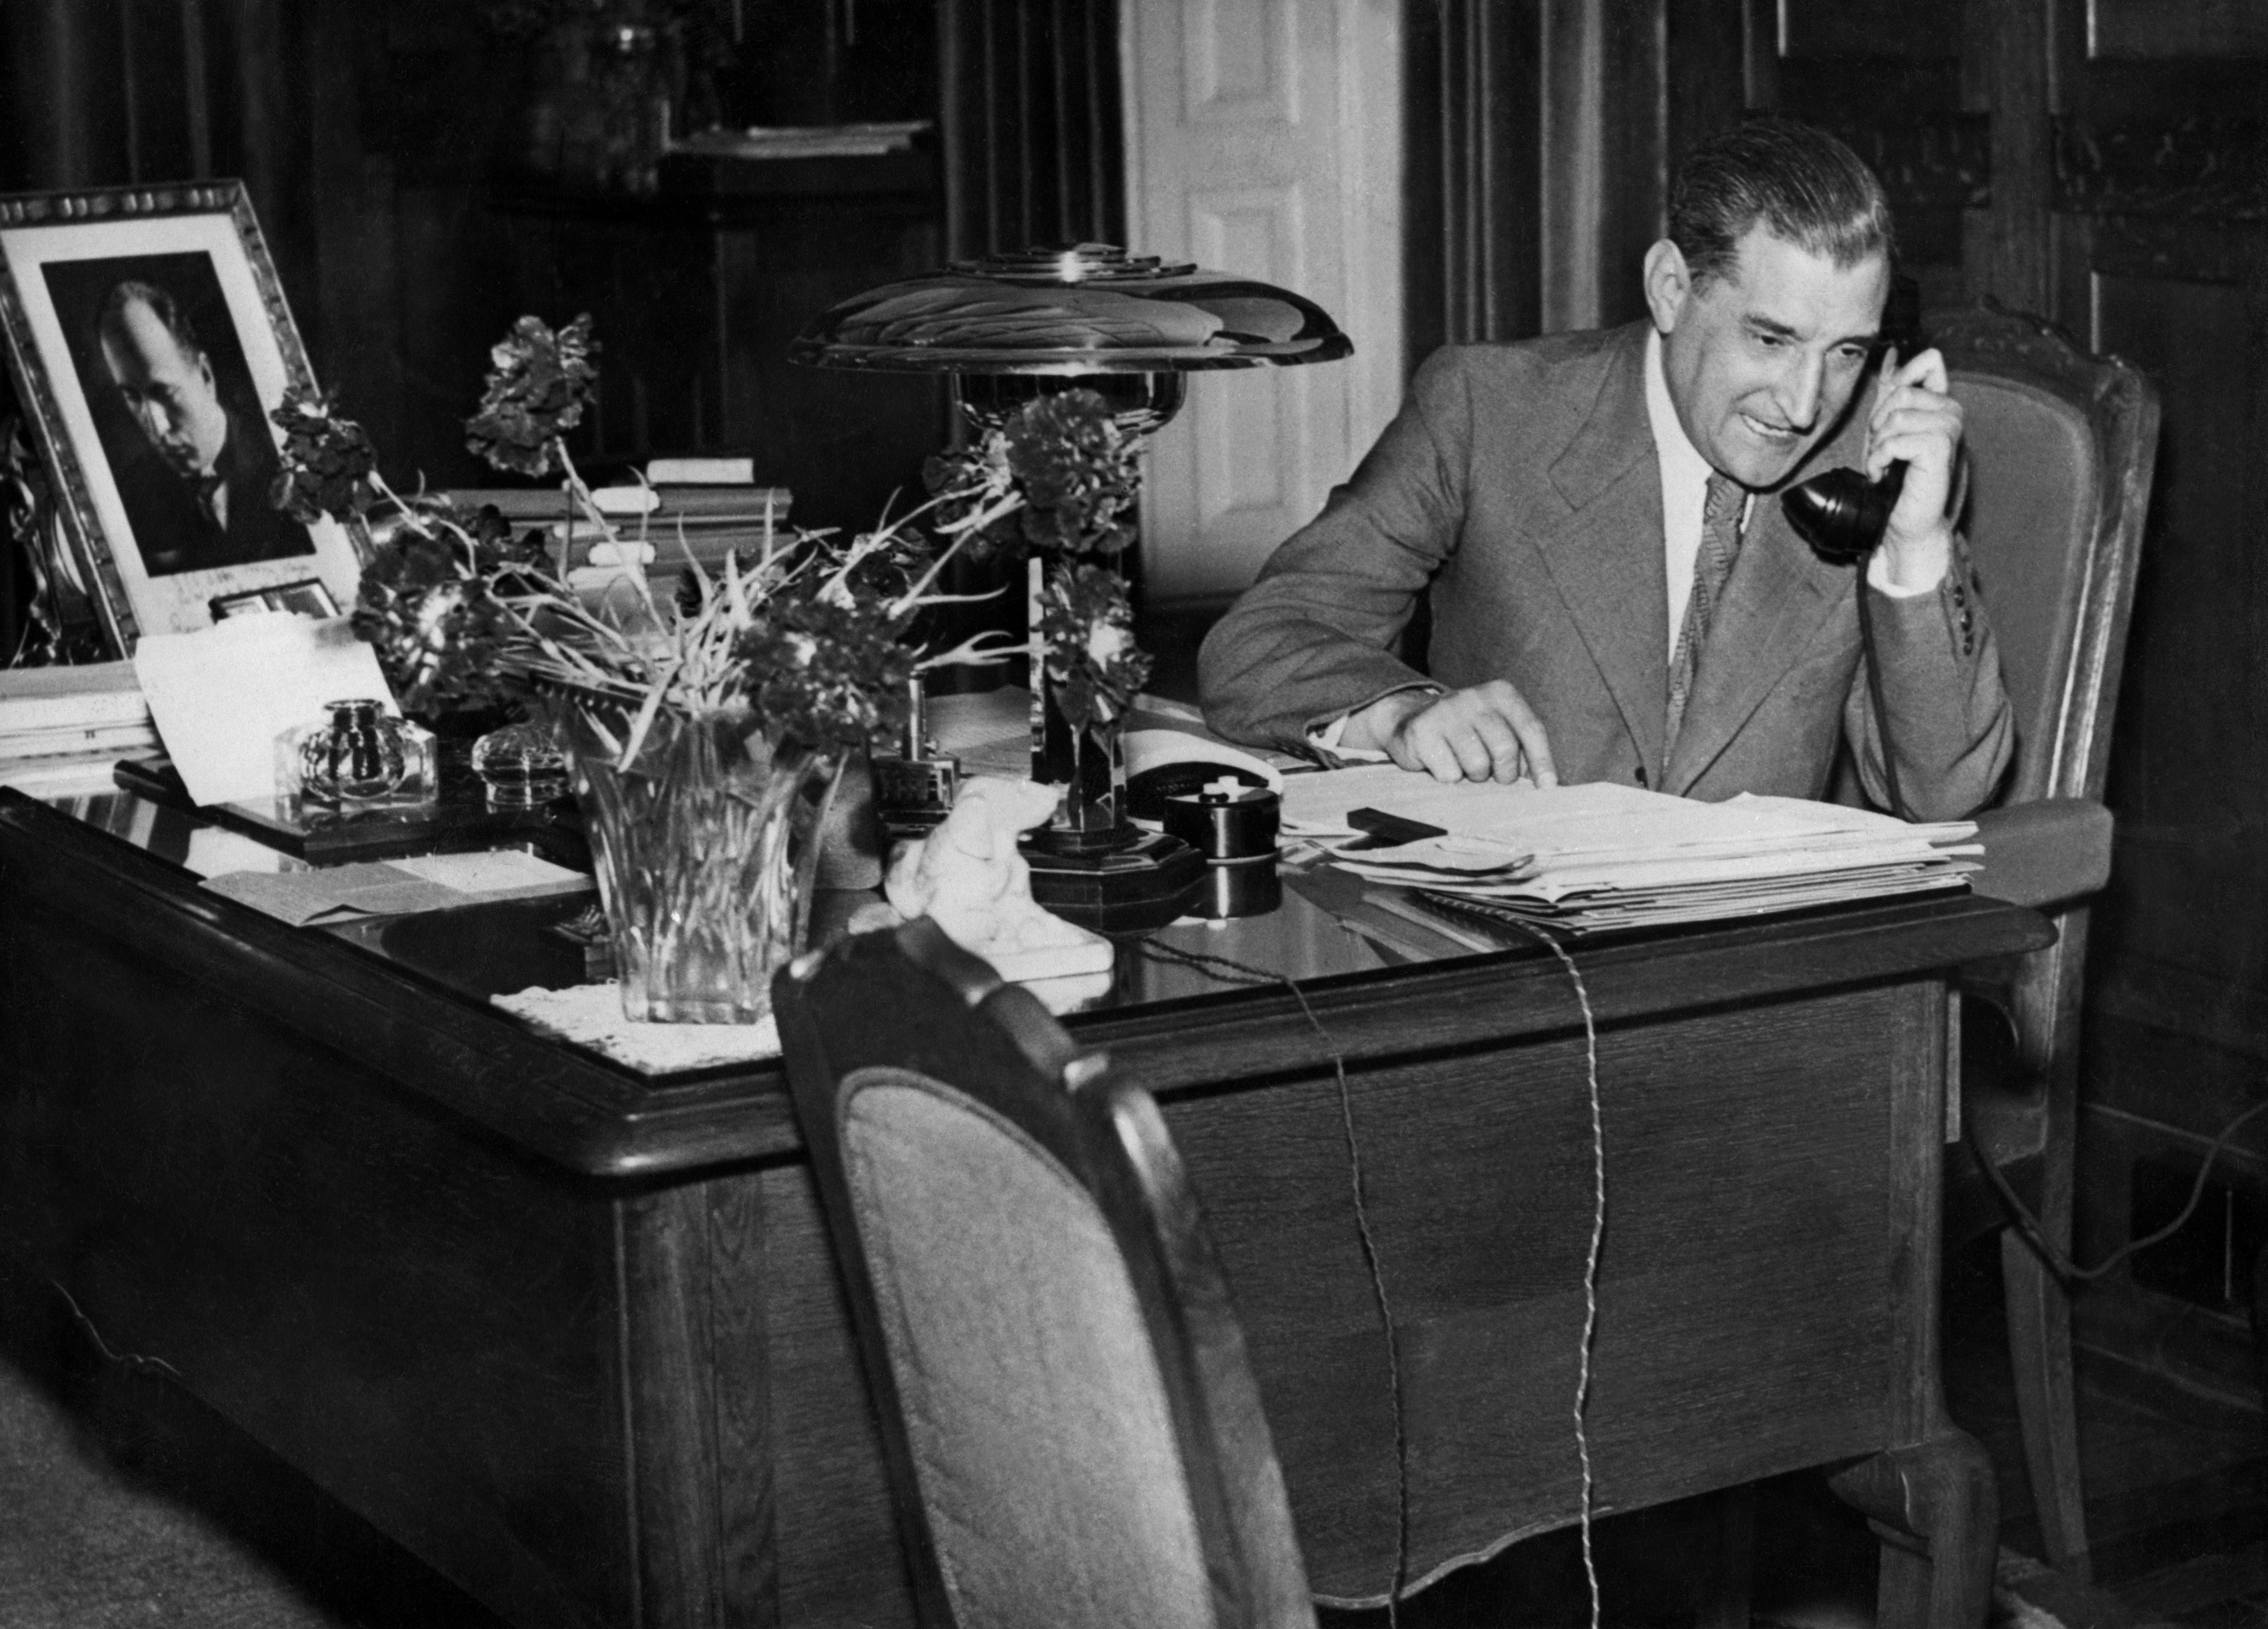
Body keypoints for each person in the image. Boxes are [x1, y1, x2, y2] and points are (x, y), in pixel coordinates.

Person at [1198, 116, 2012, 821]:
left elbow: (1941, 793)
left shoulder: (1875, 461)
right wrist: (1403, 712)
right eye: (1770, 340)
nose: (1805, 406)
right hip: (1515, 951)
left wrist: (1916, 550)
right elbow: (1259, 645)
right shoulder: (1490, 410)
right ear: (1670, 288)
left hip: (1749, 957)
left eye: (1846, 354)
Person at [94, 279, 312, 577]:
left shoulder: (288, 461)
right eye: (133, 397)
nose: (158, 428)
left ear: (206, 377)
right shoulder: (129, 497)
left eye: (166, 394)